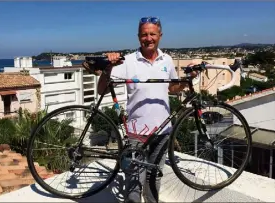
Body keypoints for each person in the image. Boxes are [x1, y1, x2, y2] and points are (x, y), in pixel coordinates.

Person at [83, 16, 196, 203]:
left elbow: (172, 88)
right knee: (134, 181)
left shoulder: (167, 60)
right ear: (138, 37)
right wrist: (108, 68)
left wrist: (188, 78)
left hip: (163, 131)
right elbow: (102, 89)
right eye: (144, 34)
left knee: (155, 177)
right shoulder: (127, 61)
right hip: (136, 132)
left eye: (152, 34)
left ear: (160, 35)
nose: (148, 38)